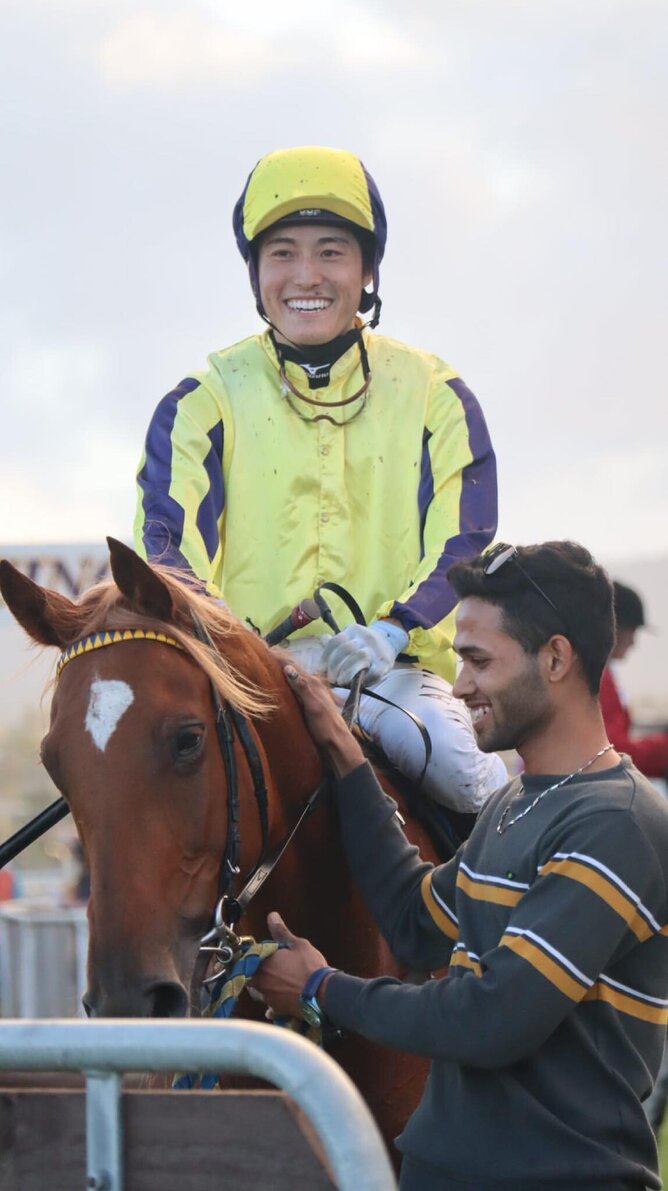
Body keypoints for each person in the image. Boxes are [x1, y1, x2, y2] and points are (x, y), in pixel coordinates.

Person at [253, 541, 668, 1190]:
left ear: (555, 658)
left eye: (478, 660)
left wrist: (322, 989)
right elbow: (414, 921)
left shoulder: (618, 822)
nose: (460, 684)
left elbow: (492, 1019)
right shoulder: (514, 801)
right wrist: (345, 756)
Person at [133, 145, 507, 816]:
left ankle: (520, 865)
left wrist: (393, 630)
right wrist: (242, 652)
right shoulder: (200, 400)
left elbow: (465, 537)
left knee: (460, 773)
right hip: (246, 682)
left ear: (367, 272)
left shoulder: (435, 392)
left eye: (331, 252)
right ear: (256, 275)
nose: (306, 275)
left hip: (393, 676)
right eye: (282, 253)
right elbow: (168, 553)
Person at [600, 580, 668, 778]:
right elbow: (614, 751)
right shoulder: (599, 678)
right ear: (615, 628)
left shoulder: (603, 672)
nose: (633, 642)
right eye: (632, 631)